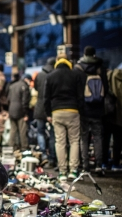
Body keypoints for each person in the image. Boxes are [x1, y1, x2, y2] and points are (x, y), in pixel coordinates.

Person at [44, 55, 84, 181]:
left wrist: (48, 114)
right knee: (74, 141)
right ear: (68, 61)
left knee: (60, 141)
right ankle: (73, 170)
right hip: (73, 110)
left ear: (57, 61)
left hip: (57, 111)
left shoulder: (50, 76)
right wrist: (80, 110)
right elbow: (80, 95)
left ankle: (62, 172)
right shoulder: (75, 74)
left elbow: (46, 98)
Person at [74, 46, 108, 175]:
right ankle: (99, 165)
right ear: (94, 54)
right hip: (98, 108)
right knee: (98, 136)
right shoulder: (100, 68)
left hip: (84, 108)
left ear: (84, 54)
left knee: (84, 137)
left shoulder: (79, 68)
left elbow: (77, 89)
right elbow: (106, 88)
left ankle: (85, 166)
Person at [34, 58, 56, 166]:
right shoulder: (55, 74)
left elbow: (36, 88)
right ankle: (52, 157)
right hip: (52, 107)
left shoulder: (39, 74)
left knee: (40, 132)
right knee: (53, 133)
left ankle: (43, 155)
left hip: (40, 106)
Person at [7, 71, 30, 151]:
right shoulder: (24, 86)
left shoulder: (12, 86)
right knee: (22, 130)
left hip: (11, 110)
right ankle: (24, 147)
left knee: (13, 130)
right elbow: (25, 102)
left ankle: (11, 147)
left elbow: (8, 99)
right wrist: (25, 114)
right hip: (20, 111)